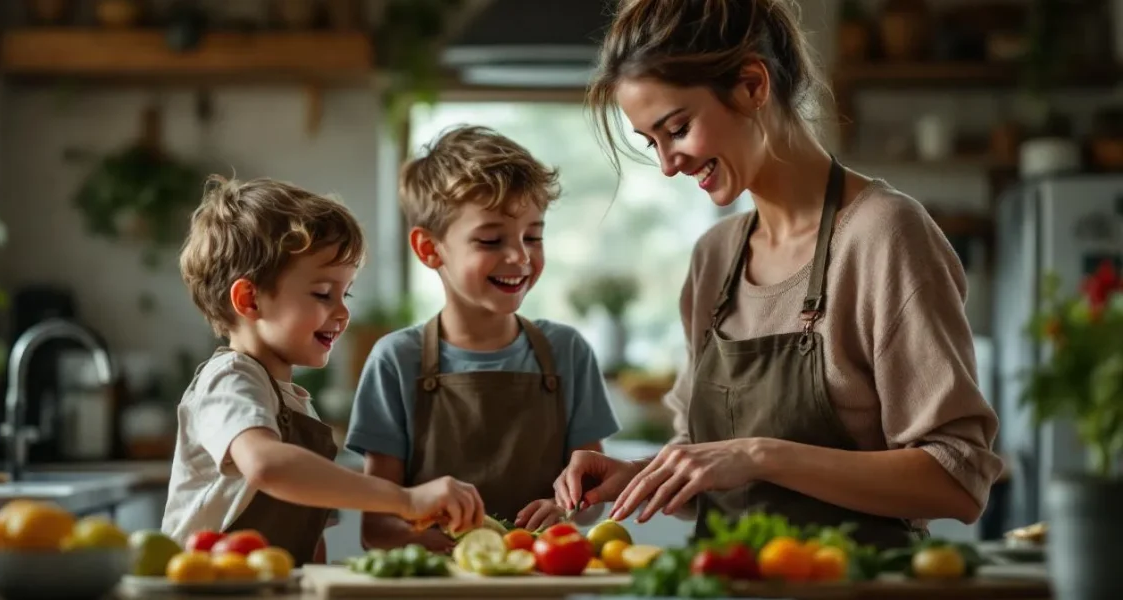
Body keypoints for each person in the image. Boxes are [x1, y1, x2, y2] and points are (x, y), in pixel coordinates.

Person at [552, 0, 1004, 549]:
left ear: (751, 85)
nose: (669, 163)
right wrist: (641, 474)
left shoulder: (884, 234)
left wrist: (760, 456)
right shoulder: (714, 258)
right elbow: (706, 462)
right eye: (653, 143)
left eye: (677, 128)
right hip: (722, 583)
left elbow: (957, 479)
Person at [163, 175, 484, 566]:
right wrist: (406, 500)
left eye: (344, 293)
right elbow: (266, 464)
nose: (343, 311)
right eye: (322, 293)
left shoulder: (295, 404)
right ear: (249, 299)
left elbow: (309, 537)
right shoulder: (230, 379)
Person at [347, 125, 621, 553]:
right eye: (491, 239)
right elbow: (377, 530)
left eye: (533, 235)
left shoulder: (567, 352)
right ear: (428, 249)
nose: (521, 256)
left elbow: (591, 499)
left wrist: (566, 510)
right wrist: (471, 548)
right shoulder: (397, 360)